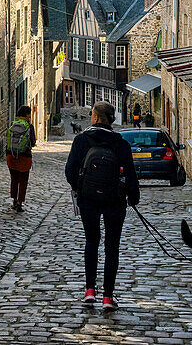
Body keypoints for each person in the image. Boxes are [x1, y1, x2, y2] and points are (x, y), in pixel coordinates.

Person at [65, 100, 140, 313]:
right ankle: (108, 296)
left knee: (91, 241)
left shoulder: (81, 141)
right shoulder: (121, 143)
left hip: (88, 199)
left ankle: (90, 290)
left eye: (92, 115)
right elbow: (131, 175)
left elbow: (70, 171)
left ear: (97, 118)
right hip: (114, 200)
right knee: (111, 247)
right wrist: (132, 198)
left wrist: (80, 188)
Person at [5, 105, 36, 212]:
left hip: (11, 156)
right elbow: (33, 142)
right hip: (24, 157)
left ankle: (14, 200)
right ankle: (19, 202)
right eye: (29, 114)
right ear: (27, 114)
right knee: (23, 181)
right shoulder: (29, 126)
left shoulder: (12, 124)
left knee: (14, 179)